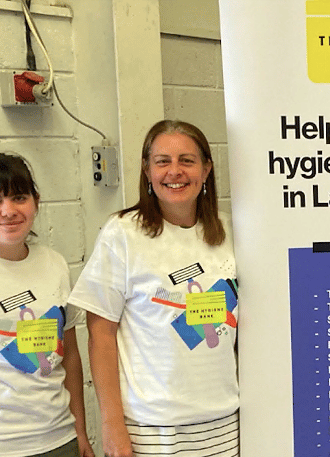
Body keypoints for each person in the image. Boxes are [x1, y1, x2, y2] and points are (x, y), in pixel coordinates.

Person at [69, 120, 239, 457]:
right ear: (147, 170)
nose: (174, 172)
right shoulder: (123, 234)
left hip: (225, 425)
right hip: (152, 431)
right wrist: (112, 425)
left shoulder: (229, 232)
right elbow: (100, 335)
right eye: (162, 161)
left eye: (187, 161)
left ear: (206, 169)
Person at [0, 153, 94, 457]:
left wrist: (80, 431)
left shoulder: (55, 264)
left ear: (35, 201)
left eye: (18, 197)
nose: (8, 211)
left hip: (59, 438)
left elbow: (71, 357)